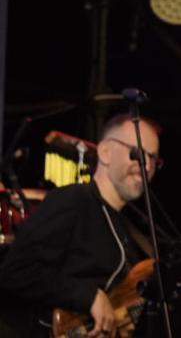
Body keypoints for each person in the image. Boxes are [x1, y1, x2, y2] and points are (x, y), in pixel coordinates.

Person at [0, 114, 161, 337]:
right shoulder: (73, 200)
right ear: (105, 152)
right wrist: (89, 297)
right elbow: (15, 271)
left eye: (153, 159)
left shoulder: (128, 231)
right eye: (138, 154)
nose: (147, 166)